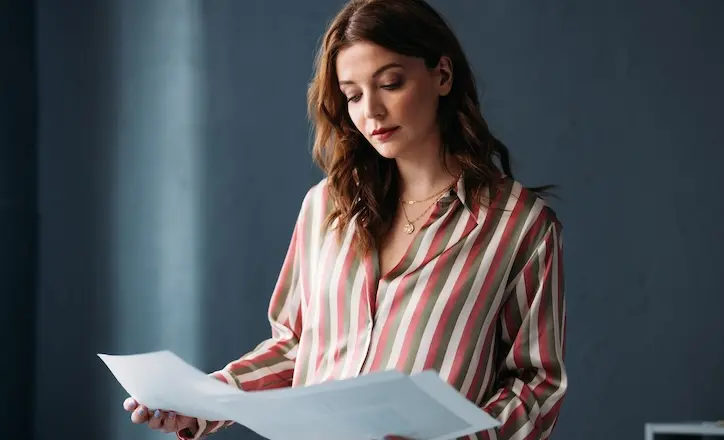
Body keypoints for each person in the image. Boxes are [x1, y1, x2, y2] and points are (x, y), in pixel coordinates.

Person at [123, 0, 567, 438]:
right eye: (353, 95)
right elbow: (295, 346)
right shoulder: (325, 207)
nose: (370, 111)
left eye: (390, 84)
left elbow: (535, 384)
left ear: (442, 76)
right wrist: (200, 403)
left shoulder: (519, 226)